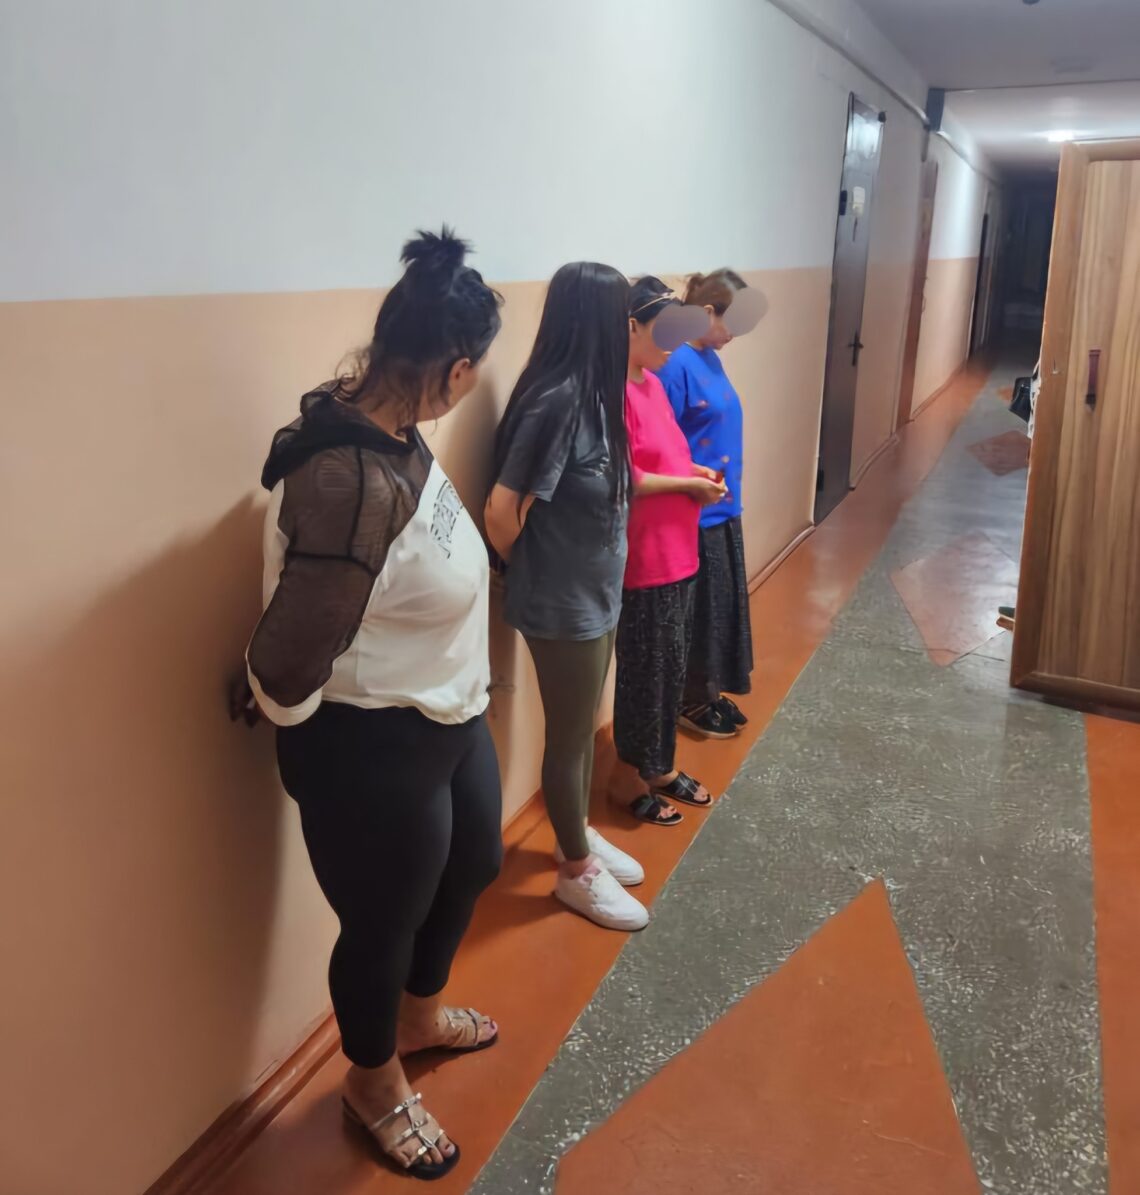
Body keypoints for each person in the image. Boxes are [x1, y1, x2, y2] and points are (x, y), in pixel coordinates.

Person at [243, 229, 504, 1181]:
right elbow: (287, 658)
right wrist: (290, 718)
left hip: (446, 710)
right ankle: (372, 1078)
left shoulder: (393, 420)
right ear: (456, 370)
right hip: (373, 740)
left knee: (474, 861)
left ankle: (418, 1016)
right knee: (384, 923)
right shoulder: (350, 481)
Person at [484, 262, 649, 932]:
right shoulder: (557, 403)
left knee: (582, 732)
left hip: (596, 594)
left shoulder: (597, 395)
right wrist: (527, 571)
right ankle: (576, 871)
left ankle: (572, 833)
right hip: (562, 602)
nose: (632, 328)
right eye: (623, 317)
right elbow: (501, 512)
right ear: (600, 323)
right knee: (571, 736)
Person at [615, 277, 725, 827]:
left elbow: (668, 456)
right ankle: (629, 778)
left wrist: (695, 471)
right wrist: (687, 485)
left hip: (681, 553)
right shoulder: (615, 392)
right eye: (664, 330)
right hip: (647, 559)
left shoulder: (654, 385)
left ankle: (659, 767)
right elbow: (627, 477)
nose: (674, 343)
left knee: (670, 671)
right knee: (645, 674)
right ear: (631, 326)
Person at [658, 270, 755, 739]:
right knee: (700, 616)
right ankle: (690, 700)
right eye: (733, 322)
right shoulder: (675, 364)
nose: (737, 333)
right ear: (708, 312)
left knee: (721, 611)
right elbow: (662, 445)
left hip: (723, 507)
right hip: (694, 513)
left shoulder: (710, 358)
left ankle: (711, 690)